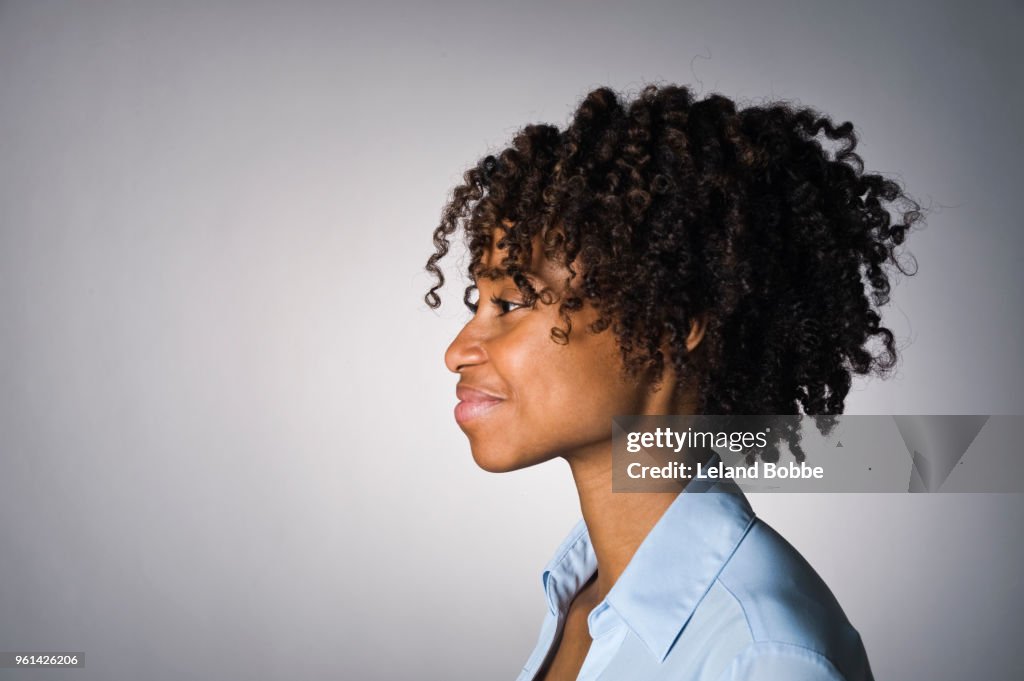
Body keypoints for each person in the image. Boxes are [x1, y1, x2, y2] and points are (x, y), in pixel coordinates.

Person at [423, 84, 921, 681]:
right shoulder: (584, 594)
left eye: (509, 304)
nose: (457, 352)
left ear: (664, 327)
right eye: (477, 302)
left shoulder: (761, 657)